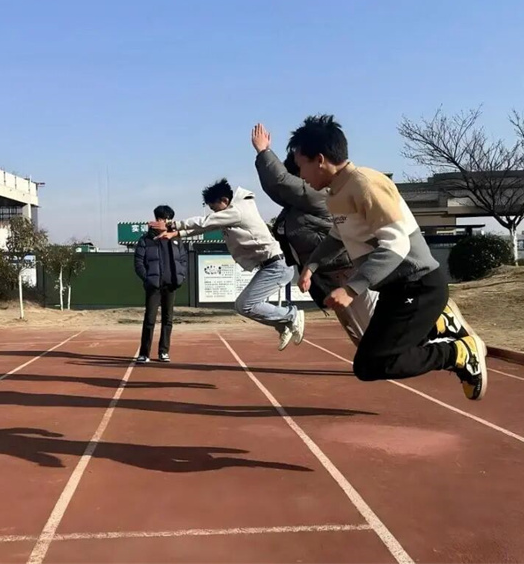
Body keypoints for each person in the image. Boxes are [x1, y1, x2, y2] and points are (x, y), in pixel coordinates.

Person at [291, 115, 488, 400]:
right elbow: (338, 235)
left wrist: (351, 289)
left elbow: (396, 243)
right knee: (369, 362)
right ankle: (439, 324)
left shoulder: (366, 184)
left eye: (301, 166)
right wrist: (312, 265)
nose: (301, 175)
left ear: (320, 160)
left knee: (375, 364)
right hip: (395, 290)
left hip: (418, 285)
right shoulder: (337, 193)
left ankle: (458, 352)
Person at [251, 122, 377, 347]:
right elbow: (277, 188)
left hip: (346, 273)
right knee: (358, 333)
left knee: (376, 329)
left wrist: (264, 152)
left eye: (303, 168)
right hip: (326, 277)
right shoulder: (296, 205)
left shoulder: (318, 196)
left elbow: (281, 182)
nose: (303, 176)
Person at [157, 178, 305, 350]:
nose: (214, 213)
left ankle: (292, 315)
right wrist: (177, 234)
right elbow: (205, 227)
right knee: (243, 305)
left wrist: (172, 224)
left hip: (277, 266)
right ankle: (283, 324)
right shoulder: (230, 212)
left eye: (214, 209)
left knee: (245, 304)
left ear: (224, 200)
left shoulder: (238, 211)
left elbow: (205, 222)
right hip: (270, 266)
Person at [134, 205, 188, 364]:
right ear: (157, 219)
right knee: (149, 319)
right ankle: (144, 353)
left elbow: (183, 260)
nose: (166, 221)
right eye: (164, 218)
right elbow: (138, 262)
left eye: (168, 219)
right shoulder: (146, 239)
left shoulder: (175, 239)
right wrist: (148, 279)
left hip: (170, 285)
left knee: (168, 320)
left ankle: (163, 351)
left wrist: (180, 277)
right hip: (154, 286)